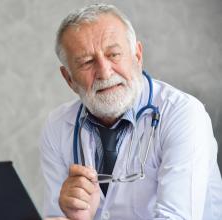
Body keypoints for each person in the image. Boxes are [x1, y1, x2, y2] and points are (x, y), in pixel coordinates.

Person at [40, 3, 222, 220]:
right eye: (87, 62)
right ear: (69, 78)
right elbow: (55, 216)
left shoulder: (184, 114)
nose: (104, 72)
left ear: (137, 55)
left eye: (114, 54)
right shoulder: (57, 126)